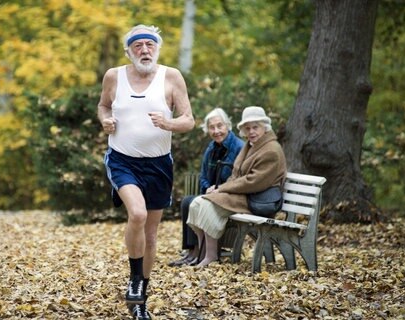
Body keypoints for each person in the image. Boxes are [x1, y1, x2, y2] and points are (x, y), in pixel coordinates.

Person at [98, 24, 194, 319]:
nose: (144, 50)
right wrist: (105, 120)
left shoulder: (171, 76)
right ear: (129, 51)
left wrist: (168, 124)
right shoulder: (114, 76)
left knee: (151, 235)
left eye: (149, 45)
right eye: (137, 45)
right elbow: (103, 106)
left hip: (159, 164)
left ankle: (141, 303)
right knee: (137, 214)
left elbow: (189, 120)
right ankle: (134, 280)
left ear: (157, 49)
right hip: (122, 160)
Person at [186, 106, 287, 268]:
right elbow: (236, 173)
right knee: (196, 204)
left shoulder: (271, 150)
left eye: (255, 127)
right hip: (244, 195)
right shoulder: (251, 145)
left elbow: (253, 181)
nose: (251, 131)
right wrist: (220, 188)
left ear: (265, 127)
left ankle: (211, 256)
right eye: (247, 128)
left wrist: (223, 189)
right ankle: (205, 253)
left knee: (206, 204)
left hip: (257, 199)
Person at [168, 108, 244, 267]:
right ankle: (192, 251)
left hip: (229, 195)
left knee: (193, 202)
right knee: (187, 201)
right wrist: (207, 187)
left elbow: (239, 178)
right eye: (212, 127)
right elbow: (203, 176)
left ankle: (200, 253)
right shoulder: (211, 149)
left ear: (228, 126)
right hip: (213, 193)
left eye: (220, 126)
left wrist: (220, 188)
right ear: (207, 129)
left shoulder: (238, 147)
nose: (216, 131)